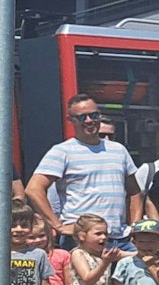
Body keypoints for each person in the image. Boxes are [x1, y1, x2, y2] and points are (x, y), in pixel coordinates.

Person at [27, 93, 141, 245]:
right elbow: (33, 189)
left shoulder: (119, 150)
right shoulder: (62, 151)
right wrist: (58, 225)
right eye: (82, 117)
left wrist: (135, 227)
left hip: (119, 239)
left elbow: (135, 192)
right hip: (81, 241)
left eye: (94, 115)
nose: (89, 121)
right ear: (71, 120)